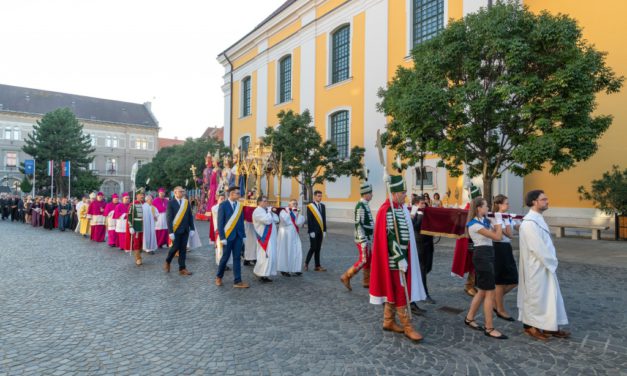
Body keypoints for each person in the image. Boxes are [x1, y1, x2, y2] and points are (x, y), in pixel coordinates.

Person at [369, 175, 426, 342]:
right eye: (403, 192)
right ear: (394, 193)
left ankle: (388, 320)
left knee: (394, 290)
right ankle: (407, 326)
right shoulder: (387, 210)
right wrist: (399, 257)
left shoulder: (398, 209)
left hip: (402, 256)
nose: (405, 195)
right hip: (395, 259)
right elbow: (389, 236)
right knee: (401, 291)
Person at [518, 190, 570, 341]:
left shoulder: (537, 219)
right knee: (536, 297)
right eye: (543, 199)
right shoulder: (529, 223)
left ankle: (549, 326)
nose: (547, 201)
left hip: (545, 265)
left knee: (550, 297)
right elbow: (537, 247)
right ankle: (530, 327)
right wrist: (552, 261)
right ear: (534, 201)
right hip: (536, 267)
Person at [463, 196, 507, 340]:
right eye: (486, 206)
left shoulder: (484, 221)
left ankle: (469, 318)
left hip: (487, 254)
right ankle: (489, 328)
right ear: (478, 208)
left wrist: (497, 221)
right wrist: (499, 221)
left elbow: (506, 234)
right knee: (490, 293)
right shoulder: (474, 224)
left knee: (482, 291)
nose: (489, 208)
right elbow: (498, 237)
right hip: (482, 256)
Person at [341, 183, 374, 291]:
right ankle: (346, 276)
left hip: (368, 237)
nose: (372, 195)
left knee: (369, 259)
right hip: (362, 238)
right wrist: (363, 239)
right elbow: (358, 224)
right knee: (363, 260)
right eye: (370, 193)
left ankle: (366, 281)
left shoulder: (365, 204)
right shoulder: (360, 206)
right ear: (365, 194)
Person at [491, 194, 519, 322]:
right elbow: (508, 234)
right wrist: (508, 225)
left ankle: (494, 300)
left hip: (506, 248)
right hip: (498, 248)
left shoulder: (507, 216)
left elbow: (517, 227)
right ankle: (500, 309)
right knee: (500, 280)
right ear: (499, 204)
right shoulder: (494, 217)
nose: (508, 205)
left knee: (514, 280)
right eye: (506, 203)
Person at [215, 186, 249, 288]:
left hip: (238, 236)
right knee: (225, 257)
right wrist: (222, 237)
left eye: (239, 193)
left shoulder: (239, 205)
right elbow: (220, 223)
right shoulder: (223, 205)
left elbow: (241, 221)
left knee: (237, 258)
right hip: (227, 236)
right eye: (238, 193)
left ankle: (237, 281)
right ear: (231, 194)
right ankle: (219, 277)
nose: (239, 195)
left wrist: (243, 235)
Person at [164, 186, 196, 276]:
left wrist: (192, 228)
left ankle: (182, 268)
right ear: (175, 193)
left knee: (183, 249)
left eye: (183, 191)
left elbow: (190, 216)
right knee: (175, 248)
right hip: (176, 230)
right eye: (180, 191)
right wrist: (170, 232)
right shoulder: (171, 203)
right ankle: (168, 261)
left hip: (185, 229)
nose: (182, 193)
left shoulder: (186, 203)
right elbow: (169, 218)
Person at [411, 196, 436, 304]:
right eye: (422, 203)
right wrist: (420, 215)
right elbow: (415, 227)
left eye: (425, 203)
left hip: (428, 243)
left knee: (428, 267)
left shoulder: (427, 212)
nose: (424, 205)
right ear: (416, 204)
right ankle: (424, 293)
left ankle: (419, 286)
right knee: (423, 268)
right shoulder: (414, 213)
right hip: (419, 243)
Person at [252, 196, 280, 282]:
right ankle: (261, 274)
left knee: (270, 256)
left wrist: (270, 212)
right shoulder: (257, 211)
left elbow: (276, 219)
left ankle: (265, 274)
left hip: (271, 237)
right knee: (264, 256)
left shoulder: (266, 211)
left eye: (267, 201)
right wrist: (269, 212)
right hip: (264, 238)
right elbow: (267, 221)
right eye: (264, 201)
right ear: (259, 202)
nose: (266, 203)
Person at [277, 199, 305, 277]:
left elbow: (299, 223)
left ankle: (296, 269)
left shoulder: (296, 213)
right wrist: (290, 213)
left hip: (295, 235)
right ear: (289, 205)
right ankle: (284, 270)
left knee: (297, 251)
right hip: (286, 236)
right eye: (293, 204)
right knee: (286, 252)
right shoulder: (284, 211)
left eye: (296, 204)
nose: (295, 205)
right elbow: (285, 221)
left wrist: (297, 214)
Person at [305, 190, 327, 272]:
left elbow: (324, 219)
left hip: (320, 231)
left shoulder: (323, 206)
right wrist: (311, 231)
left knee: (318, 249)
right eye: (318, 196)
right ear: (314, 197)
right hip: (313, 231)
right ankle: (306, 263)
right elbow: (309, 219)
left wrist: (324, 230)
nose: (320, 197)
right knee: (313, 247)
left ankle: (317, 266)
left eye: (321, 196)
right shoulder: (310, 206)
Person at [211, 189, 231, 268]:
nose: (222, 200)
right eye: (221, 199)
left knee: (226, 248)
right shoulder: (215, 208)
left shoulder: (226, 207)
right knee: (220, 248)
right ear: (217, 199)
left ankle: (225, 263)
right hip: (218, 230)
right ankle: (220, 263)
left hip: (227, 229)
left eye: (224, 199)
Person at [127, 189, 145, 266]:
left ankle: (140, 255)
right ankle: (138, 258)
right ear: (136, 195)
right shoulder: (132, 204)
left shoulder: (144, 204)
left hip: (144, 225)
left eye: (143, 195)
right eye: (141, 195)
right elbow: (129, 216)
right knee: (137, 242)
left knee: (142, 241)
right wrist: (130, 226)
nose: (142, 196)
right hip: (137, 226)